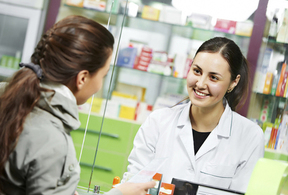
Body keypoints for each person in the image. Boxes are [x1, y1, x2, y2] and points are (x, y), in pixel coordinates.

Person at [0, 15, 155, 195]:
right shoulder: (54, 143)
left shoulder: (8, 93)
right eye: (103, 76)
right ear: (82, 78)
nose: (99, 85)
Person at [122, 37, 265, 193]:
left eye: (214, 77)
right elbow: (133, 185)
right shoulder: (158, 121)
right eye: (197, 71)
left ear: (233, 82)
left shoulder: (250, 136)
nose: (200, 84)